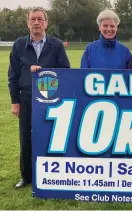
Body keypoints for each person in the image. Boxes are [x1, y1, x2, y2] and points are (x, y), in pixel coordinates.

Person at [8, 7, 70, 188]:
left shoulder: (56, 44)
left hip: (51, 99)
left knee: (50, 136)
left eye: (40, 19)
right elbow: (13, 75)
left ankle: (50, 174)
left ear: (46, 23)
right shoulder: (19, 44)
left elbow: (65, 71)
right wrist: (15, 102)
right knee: (25, 137)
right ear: (28, 23)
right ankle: (26, 176)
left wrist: (45, 73)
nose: (36, 22)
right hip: (27, 98)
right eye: (33, 19)